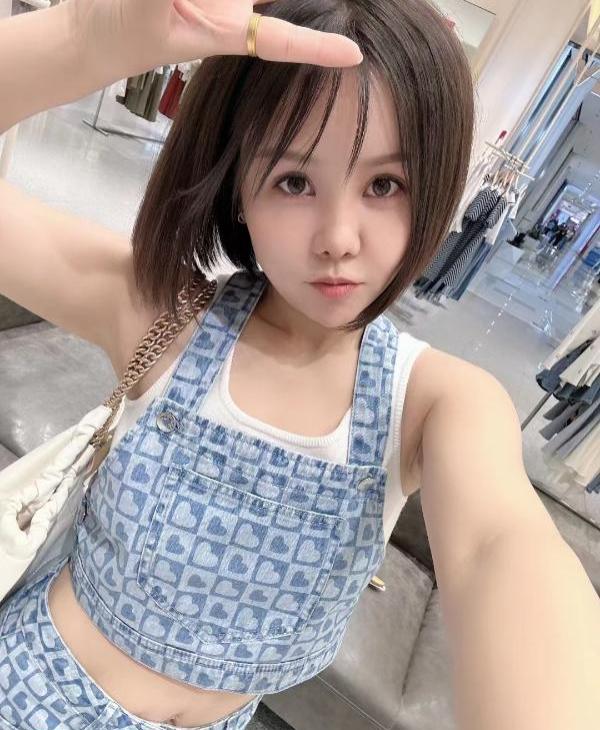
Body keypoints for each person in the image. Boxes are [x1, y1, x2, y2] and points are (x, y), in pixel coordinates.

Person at [0, 1, 599, 729]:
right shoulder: (162, 313)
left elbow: (500, 550)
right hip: (32, 697)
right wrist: (88, 36)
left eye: (384, 185)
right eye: (293, 181)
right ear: (239, 191)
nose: (338, 238)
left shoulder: (436, 404)